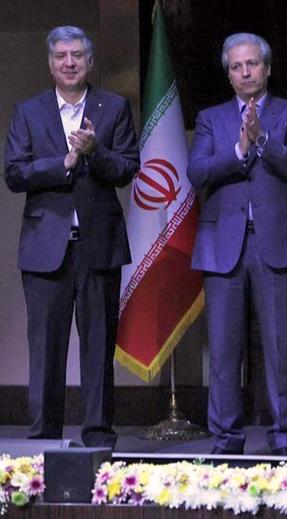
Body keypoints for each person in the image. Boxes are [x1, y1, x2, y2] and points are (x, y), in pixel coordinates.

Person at [4, 26, 139, 448]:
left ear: (89, 61)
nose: (69, 63)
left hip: (99, 245)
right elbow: (14, 173)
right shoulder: (28, 111)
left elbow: (127, 168)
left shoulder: (114, 106)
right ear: (50, 64)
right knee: (45, 348)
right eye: (61, 56)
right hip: (45, 248)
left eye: (77, 55)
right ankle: (43, 438)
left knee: (98, 346)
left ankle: (98, 437)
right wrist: (62, 163)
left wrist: (95, 152)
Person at [188, 33, 287, 455]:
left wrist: (262, 139)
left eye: (252, 64)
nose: (245, 72)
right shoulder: (210, 118)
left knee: (280, 347)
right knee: (224, 351)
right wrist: (240, 148)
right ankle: (226, 438)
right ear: (228, 74)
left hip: (275, 243)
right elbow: (198, 172)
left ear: (268, 68)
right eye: (236, 67)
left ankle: (284, 437)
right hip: (223, 245)